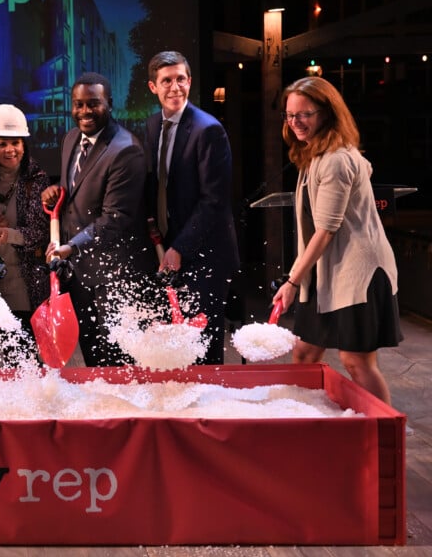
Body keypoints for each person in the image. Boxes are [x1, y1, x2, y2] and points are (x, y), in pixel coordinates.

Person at [271, 76, 402, 405]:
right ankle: (306, 425)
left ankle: (385, 436)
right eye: (290, 115)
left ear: (326, 113)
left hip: (358, 274)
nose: (295, 122)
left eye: (305, 114)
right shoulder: (312, 155)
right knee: (304, 355)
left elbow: (325, 230)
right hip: (327, 272)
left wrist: (291, 281)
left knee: (356, 361)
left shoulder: (336, 160)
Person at [41, 72, 153, 367]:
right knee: (93, 358)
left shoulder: (126, 149)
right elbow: (76, 191)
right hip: (80, 275)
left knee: (119, 364)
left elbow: (117, 217)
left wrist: (70, 247)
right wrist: (56, 192)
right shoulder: (70, 139)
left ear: (109, 104)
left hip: (115, 277)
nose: (84, 111)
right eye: (78, 104)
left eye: (93, 104)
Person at [145, 50, 239, 365]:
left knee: (204, 352)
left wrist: (179, 248)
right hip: (169, 252)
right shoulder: (152, 125)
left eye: (180, 79)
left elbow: (214, 201)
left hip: (205, 257)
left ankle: (209, 413)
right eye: (166, 81)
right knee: (175, 350)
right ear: (153, 87)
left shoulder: (208, 130)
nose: (175, 87)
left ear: (190, 81)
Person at [0, 103, 50, 366]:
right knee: (2, 353)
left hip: (24, 281)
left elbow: (40, 232)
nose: (10, 150)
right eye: (2, 143)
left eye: (15, 142)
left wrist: (10, 234)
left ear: (24, 145)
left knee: (25, 352)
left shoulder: (36, 180)